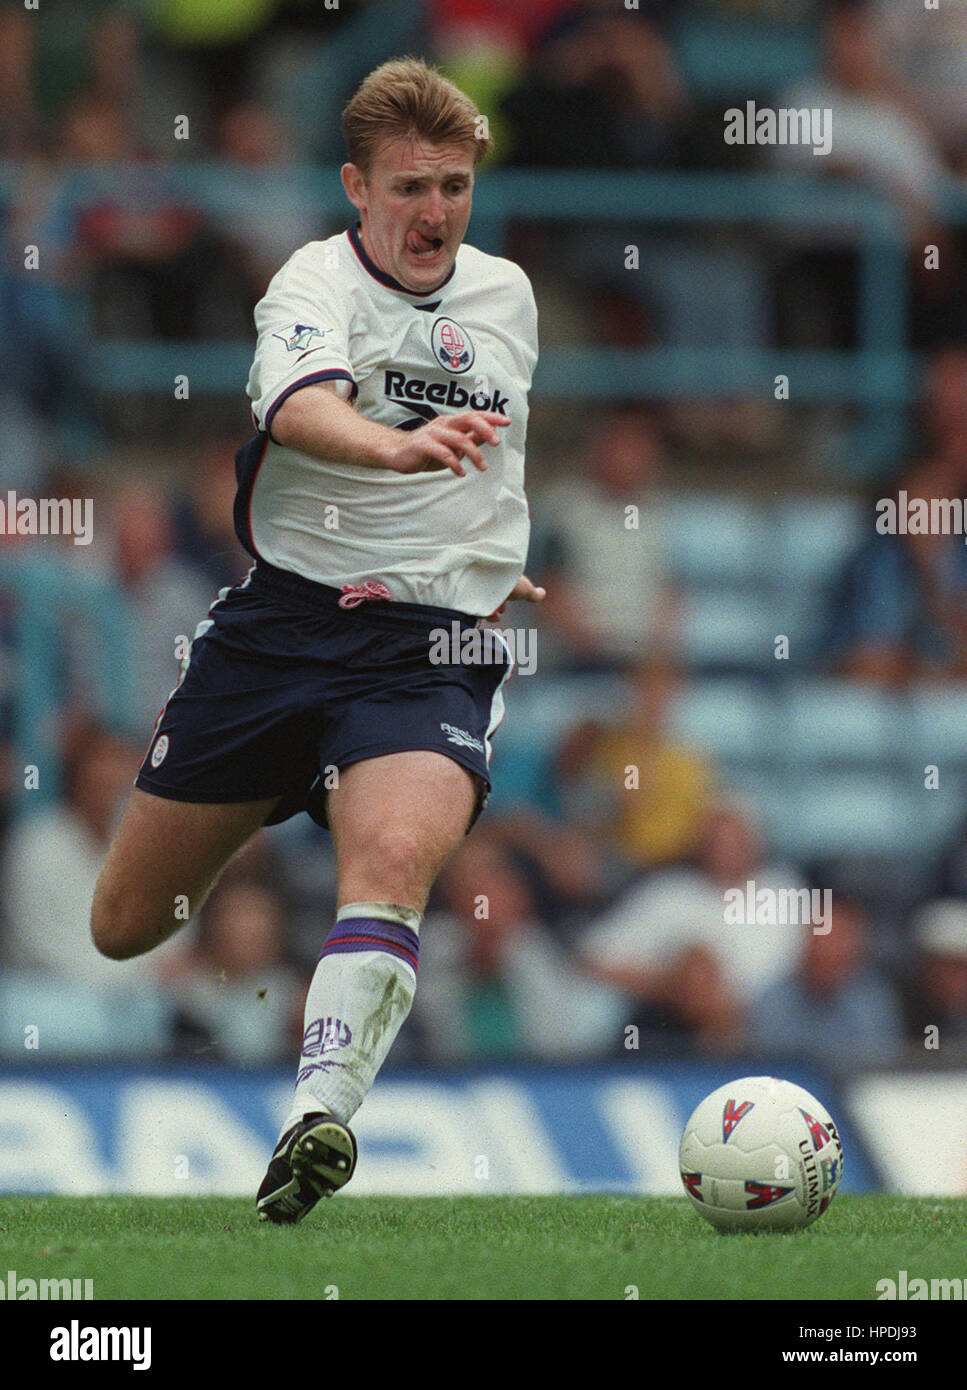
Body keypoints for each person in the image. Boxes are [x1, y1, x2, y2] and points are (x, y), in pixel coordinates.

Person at [90, 58, 543, 1223]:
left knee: (392, 861)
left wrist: (486, 560)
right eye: (408, 188)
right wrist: (389, 449)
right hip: (275, 634)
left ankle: (319, 1113)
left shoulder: (507, 298)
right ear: (356, 186)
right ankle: (280, 780)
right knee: (126, 926)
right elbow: (297, 407)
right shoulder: (309, 279)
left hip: (424, 651)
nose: (434, 211)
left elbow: (495, 464)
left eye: (453, 184)